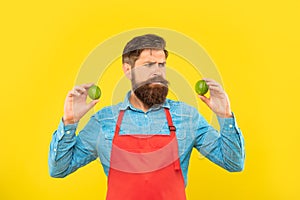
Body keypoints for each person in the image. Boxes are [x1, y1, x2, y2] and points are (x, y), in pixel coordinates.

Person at [48, 34, 245, 200]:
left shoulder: (187, 117)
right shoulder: (104, 121)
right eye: (149, 65)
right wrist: (70, 122)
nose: (158, 72)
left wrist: (224, 116)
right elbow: (59, 169)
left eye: (161, 65)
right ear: (128, 70)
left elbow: (233, 163)